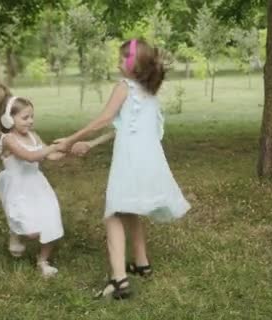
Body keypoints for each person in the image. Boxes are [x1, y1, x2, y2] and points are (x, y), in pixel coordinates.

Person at [56, 39, 191, 298]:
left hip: (130, 159)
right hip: (148, 158)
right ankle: (142, 264)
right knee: (131, 208)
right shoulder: (149, 92)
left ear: (134, 66)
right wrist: (91, 144)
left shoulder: (124, 86)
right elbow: (126, 127)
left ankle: (119, 281)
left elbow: (105, 119)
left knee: (114, 213)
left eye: (122, 59)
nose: (117, 63)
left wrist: (70, 139)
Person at [0, 92, 65, 278]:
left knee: (51, 219)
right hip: (19, 188)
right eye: (25, 117)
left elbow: (51, 155)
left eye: (32, 116)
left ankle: (43, 261)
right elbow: (30, 156)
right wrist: (51, 148)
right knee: (31, 232)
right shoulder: (8, 140)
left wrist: (68, 147)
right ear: (9, 119)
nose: (30, 121)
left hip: (38, 185)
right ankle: (15, 233)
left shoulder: (34, 136)